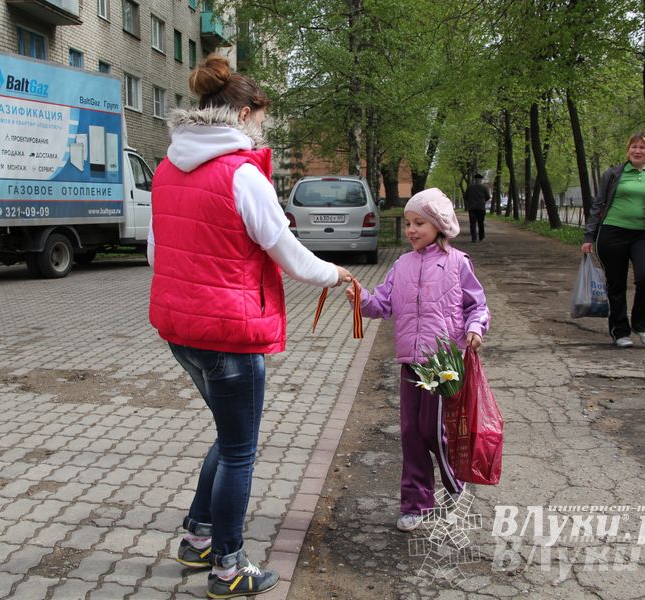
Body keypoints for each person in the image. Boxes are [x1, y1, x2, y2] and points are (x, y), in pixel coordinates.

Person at [147, 54, 352, 599]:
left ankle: (198, 540)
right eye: (262, 117)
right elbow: (289, 256)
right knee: (240, 450)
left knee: (227, 435)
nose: (263, 127)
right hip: (230, 337)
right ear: (242, 112)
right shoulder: (242, 174)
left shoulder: (166, 169)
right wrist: (337, 274)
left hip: (180, 332)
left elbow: (154, 252)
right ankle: (229, 568)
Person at [344, 188, 490, 532]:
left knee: (434, 430)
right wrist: (361, 298)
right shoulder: (402, 264)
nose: (411, 230)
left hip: (443, 361)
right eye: (408, 223)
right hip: (411, 361)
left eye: (419, 222)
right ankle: (415, 503)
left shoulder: (458, 263)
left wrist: (475, 329)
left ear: (439, 225)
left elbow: (477, 305)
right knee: (411, 432)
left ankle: (455, 482)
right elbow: (382, 304)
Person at [581, 131, 645, 348]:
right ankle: (620, 331)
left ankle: (642, 325)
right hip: (612, 233)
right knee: (616, 283)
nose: (637, 151)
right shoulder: (614, 174)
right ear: (628, 150)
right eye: (634, 146)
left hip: (644, 235)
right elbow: (598, 205)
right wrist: (589, 236)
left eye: (642, 147)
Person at [464, 173, 490, 242]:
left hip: (472, 208)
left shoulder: (470, 187)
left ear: (475, 179)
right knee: (481, 223)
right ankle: (481, 237)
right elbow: (488, 197)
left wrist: (470, 202)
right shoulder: (484, 187)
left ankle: (474, 238)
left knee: (472, 223)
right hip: (481, 208)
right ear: (480, 179)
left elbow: (466, 197)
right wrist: (483, 201)